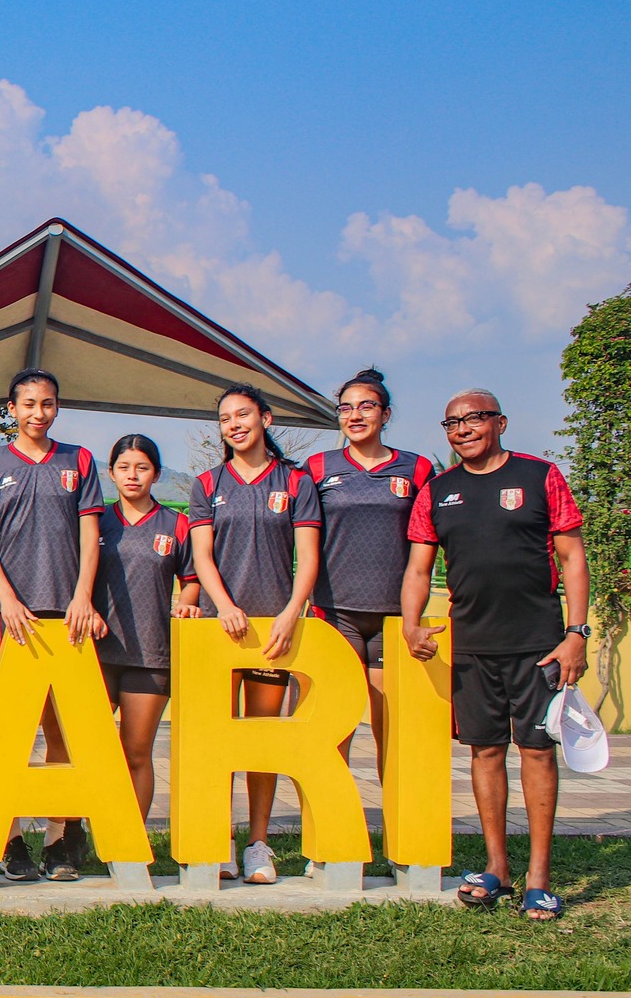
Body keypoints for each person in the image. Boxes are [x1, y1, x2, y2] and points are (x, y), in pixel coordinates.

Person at [403, 390, 588, 920]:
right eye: (451, 422)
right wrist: (412, 624)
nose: (462, 429)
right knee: (484, 753)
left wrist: (575, 633)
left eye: (474, 419)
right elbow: (419, 568)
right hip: (472, 647)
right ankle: (497, 868)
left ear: (500, 422)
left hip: (539, 645)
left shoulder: (540, 476)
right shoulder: (438, 491)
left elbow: (572, 557)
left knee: (536, 753)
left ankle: (539, 879)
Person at [0, 367, 106, 881]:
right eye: (28, 404)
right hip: (12, 615)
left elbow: (90, 537)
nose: (37, 413)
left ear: (57, 408)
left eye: (46, 404)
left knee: (62, 725)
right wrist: (7, 599)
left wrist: (82, 597)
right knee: (11, 726)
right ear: (12, 409)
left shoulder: (80, 461)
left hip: (67, 612)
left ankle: (58, 837)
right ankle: (10, 838)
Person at [188, 384, 321, 884]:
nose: (234, 424)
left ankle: (258, 844)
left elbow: (307, 558)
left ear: (265, 419)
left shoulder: (295, 481)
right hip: (219, 630)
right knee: (217, 740)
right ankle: (216, 837)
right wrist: (222, 606)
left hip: (273, 631)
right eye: (225, 418)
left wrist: (291, 613)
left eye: (243, 414)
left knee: (263, 742)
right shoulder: (208, 483)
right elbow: (202, 556)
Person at [305, 367, 434, 778]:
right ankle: (332, 835)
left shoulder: (416, 469)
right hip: (334, 611)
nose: (355, 415)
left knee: (392, 730)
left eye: (366, 406)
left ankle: (397, 832)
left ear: (386, 414)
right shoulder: (317, 467)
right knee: (332, 727)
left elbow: (431, 540)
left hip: (395, 618)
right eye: (346, 408)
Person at [92, 435, 201, 817]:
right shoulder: (95, 520)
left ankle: (132, 845)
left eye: (141, 467)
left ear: (155, 473)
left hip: (151, 655)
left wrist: (187, 604)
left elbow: (193, 579)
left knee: (135, 752)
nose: (132, 475)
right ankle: (79, 834)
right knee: (88, 748)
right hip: (97, 652)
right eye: (124, 467)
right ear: (111, 473)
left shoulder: (177, 524)